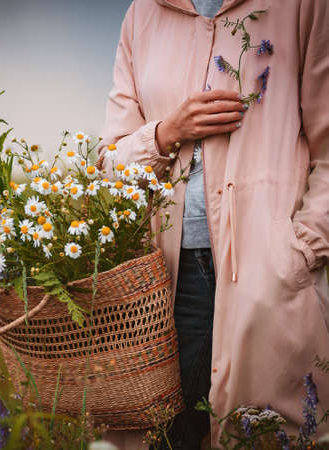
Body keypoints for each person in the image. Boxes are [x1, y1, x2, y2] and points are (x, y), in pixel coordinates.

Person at [97, 0, 329, 449]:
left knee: (262, 438)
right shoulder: (142, 15)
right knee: (164, 440)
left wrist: (301, 249)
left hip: (268, 283)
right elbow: (109, 163)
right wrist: (165, 132)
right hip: (158, 289)